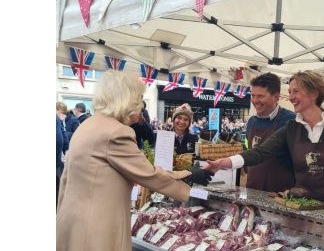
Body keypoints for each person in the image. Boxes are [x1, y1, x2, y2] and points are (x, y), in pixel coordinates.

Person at [56, 70, 214, 251]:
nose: (142, 106)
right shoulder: (116, 132)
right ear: (127, 100)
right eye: (139, 99)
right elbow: (149, 174)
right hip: (97, 229)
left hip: (73, 221)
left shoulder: (88, 125)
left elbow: (66, 179)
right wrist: (190, 174)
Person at [204, 71, 324, 205]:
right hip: (302, 206)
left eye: (296, 91)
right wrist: (223, 163)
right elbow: (261, 152)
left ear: (314, 94)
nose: (290, 97)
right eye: (289, 92)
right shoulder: (292, 127)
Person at [244, 72, 296, 192]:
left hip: (280, 194)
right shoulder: (252, 121)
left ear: (276, 96)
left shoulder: (291, 120)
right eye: (253, 95)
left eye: (260, 96)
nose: (255, 100)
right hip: (252, 189)